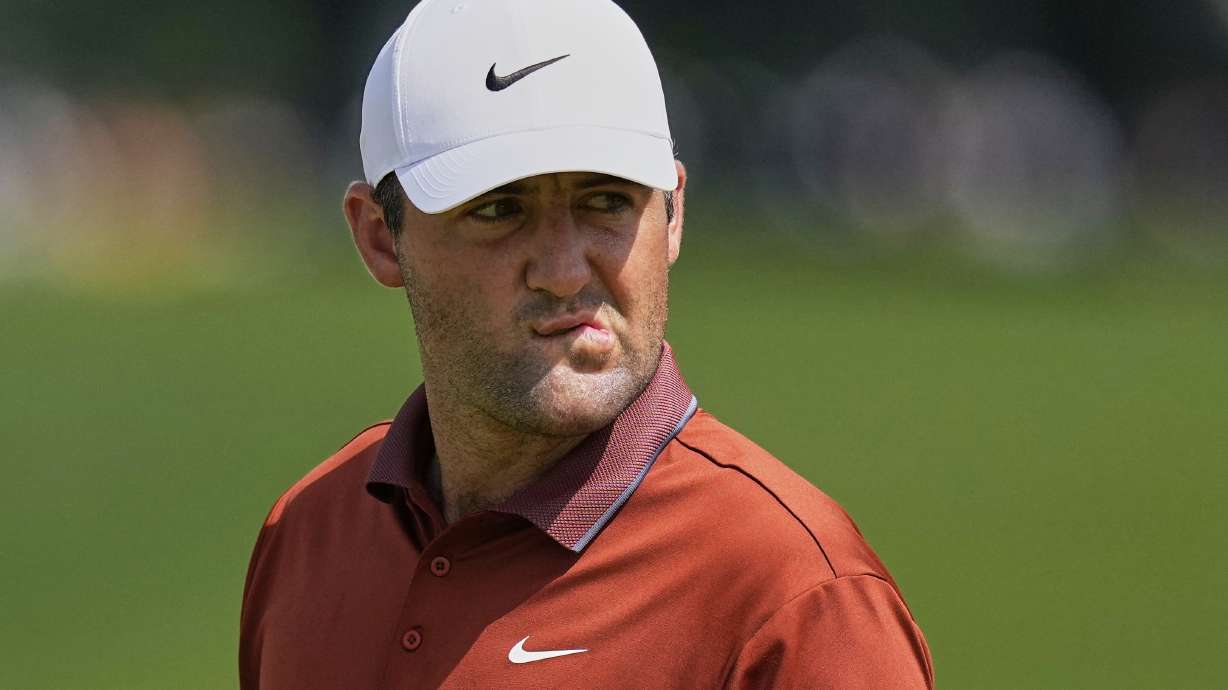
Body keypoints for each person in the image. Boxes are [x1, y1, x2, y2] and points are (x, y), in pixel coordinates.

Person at [239, 0, 934, 687]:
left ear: (673, 213)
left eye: (606, 201)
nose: (565, 270)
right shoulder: (308, 530)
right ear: (380, 238)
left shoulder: (799, 598)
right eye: (499, 210)